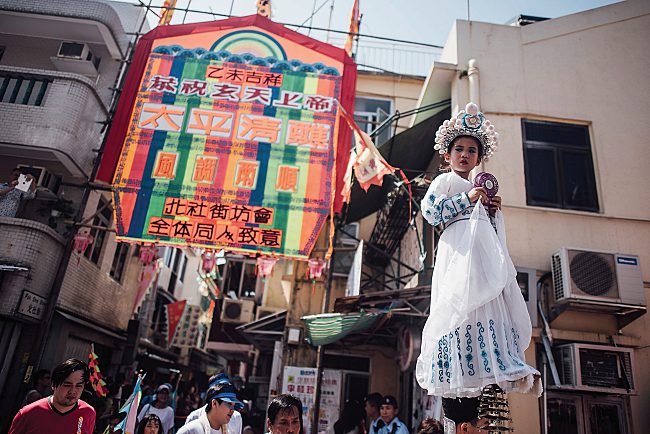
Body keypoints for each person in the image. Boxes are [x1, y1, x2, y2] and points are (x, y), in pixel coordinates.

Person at [416, 102, 542, 398]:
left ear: (478, 159)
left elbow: (491, 236)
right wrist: (467, 199)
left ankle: (488, 366)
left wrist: (493, 212)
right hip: (457, 252)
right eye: (459, 149)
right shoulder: (445, 180)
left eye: (471, 151)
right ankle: (459, 367)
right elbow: (431, 212)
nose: (464, 155)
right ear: (447, 155)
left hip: (481, 256)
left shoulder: (480, 187)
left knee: (487, 301)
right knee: (459, 303)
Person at [9, 358, 96, 434]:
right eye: (67, 385)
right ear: (53, 385)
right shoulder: (27, 413)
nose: (73, 391)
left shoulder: (88, 413)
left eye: (79, 386)